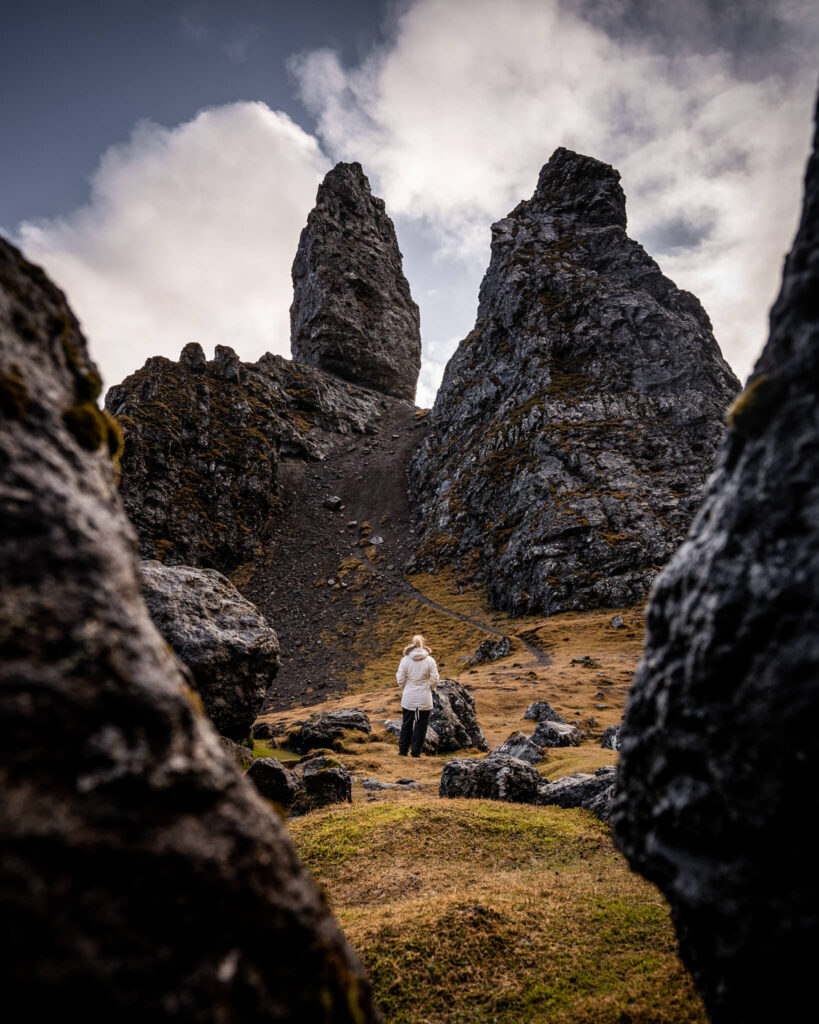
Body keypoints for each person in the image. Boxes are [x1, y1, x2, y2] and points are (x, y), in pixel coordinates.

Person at [396, 633, 440, 757]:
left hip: (409, 696)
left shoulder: (405, 660)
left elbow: (400, 678)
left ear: (412, 645)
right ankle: (416, 753)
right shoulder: (430, 660)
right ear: (423, 645)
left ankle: (403, 751)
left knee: (407, 723)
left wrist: (406, 687)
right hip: (424, 697)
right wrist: (429, 687)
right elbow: (435, 679)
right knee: (421, 725)